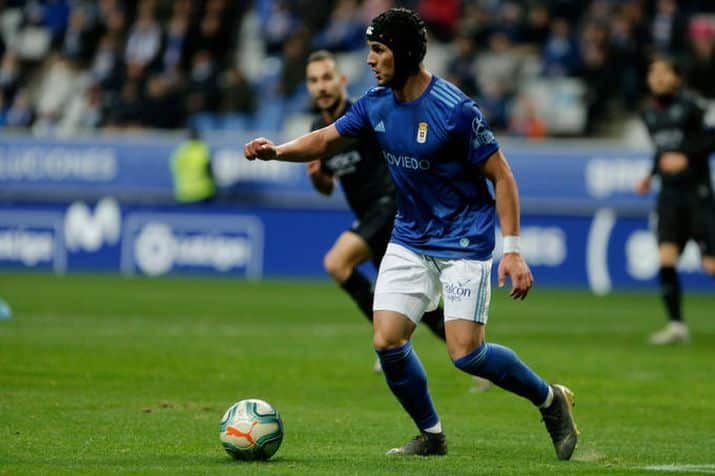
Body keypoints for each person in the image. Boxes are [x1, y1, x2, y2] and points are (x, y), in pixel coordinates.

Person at [245, 8, 578, 459]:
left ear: (402, 52)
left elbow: (502, 176)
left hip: (463, 238)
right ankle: (432, 435)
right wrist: (277, 152)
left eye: (378, 50)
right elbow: (325, 139)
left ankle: (549, 400)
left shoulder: (455, 110)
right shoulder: (375, 103)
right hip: (410, 236)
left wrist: (514, 250)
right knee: (387, 340)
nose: (369, 60)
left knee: (466, 354)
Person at [303, 49, 448, 371]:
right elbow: (327, 187)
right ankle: (474, 357)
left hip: (391, 205)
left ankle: (389, 339)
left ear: (341, 80)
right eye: (314, 81)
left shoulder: (364, 114)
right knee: (415, 302)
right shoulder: (318, 126)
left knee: (337, 263)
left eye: (327, 78)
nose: (321, 86)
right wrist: (316, 176)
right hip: (370, 214)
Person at [635, 56, 715, 345]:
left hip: (697, 194)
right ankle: (677, 326)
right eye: (652, 72)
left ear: (676, 78)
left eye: (664, 72)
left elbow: (709, 139)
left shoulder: (693, 107)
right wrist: (650, 174)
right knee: (666, 258)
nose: (657, 78)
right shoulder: (648, 113)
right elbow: (662, 150)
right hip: (669, 196)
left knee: (710, 264)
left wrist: (686, 157)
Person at [169, 128, 216, 204]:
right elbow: (210, 170)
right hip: (203, 194)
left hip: (183, 194)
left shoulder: (180, 152)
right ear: (199, 137)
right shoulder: (202, 150)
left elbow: (175, 169)